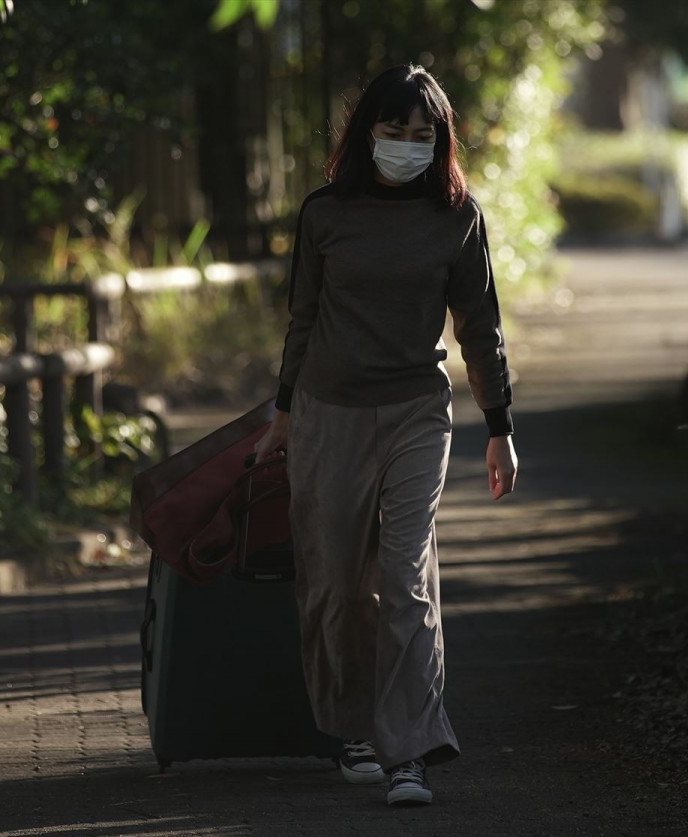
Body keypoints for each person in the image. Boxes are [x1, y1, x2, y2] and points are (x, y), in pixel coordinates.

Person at [253, 64, 518, 807]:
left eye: (422, 135)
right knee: (335, 586)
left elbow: (481, 327)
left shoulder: (457, 218)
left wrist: (500, 428)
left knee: (404, 578)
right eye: (394, 131)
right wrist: (281, 415)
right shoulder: (324, 214)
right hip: (327, 413)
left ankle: (411, 749)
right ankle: (353, 730)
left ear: (440, 141)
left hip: (415, 413)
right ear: (365, 133)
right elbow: (302, 319)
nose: (407, 145)